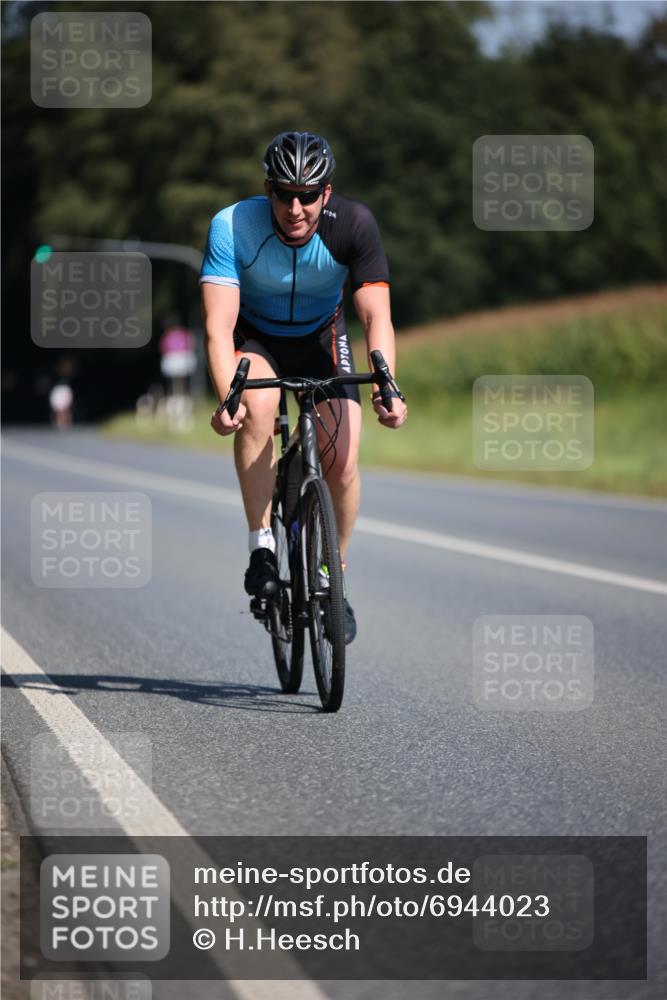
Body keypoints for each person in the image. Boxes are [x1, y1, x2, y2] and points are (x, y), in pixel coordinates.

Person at [200, 131, 407, 644]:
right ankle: (262, 545)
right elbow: (217, 328)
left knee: (343, 459)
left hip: (322, 335)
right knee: (259, 405)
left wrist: (389, 386)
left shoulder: (354, 225)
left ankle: (329, 574)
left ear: (326, 193)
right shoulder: (232, 226)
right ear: (266, 189)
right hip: (258, 336)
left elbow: (376, 315)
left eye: (308, 194)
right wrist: (228, 398)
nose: (296, 208)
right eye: (284, 193)